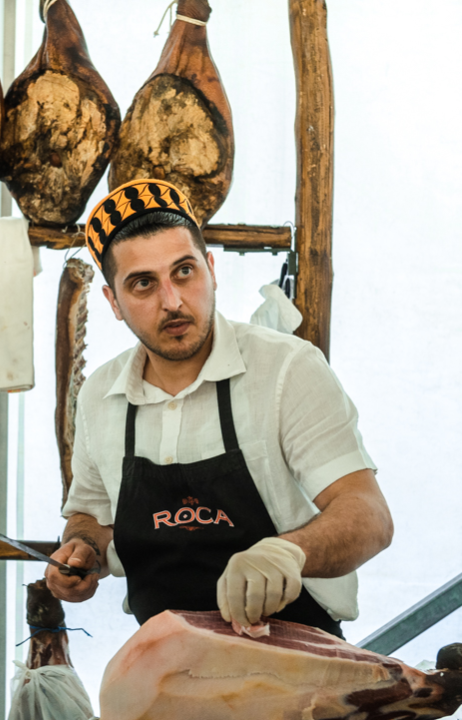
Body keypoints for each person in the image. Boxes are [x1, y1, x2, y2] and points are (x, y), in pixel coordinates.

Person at [45, 179, 393, 637]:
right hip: (171, 660)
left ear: (211, 269)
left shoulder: (287, 370)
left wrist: (288, 554)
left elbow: (368, 515)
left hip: (293, 654)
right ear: (113, 301)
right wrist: (82, 549)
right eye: (143, 284)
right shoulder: (100, 395)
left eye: (184, 272)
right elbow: (91, 515)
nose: (172, 302)